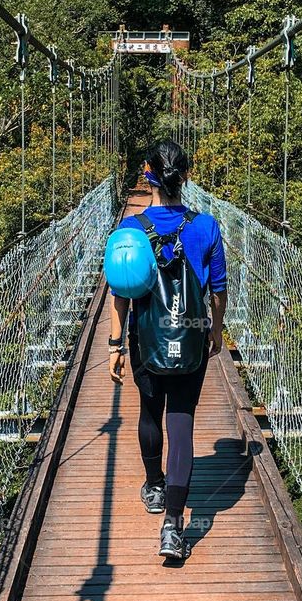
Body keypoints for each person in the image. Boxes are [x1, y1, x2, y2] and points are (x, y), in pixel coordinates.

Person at [107, 140, 227, 561]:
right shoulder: (207, 226)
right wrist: (215, 331)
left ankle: (154, 485)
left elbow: (120, 294)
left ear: (148, 176)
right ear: (187, 176)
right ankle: (173, 526)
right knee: (182, 423)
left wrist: (114, 346)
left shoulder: (130, 232)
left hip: (146, 339)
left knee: (148, 411)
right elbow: (218, 289)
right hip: (191, 339)